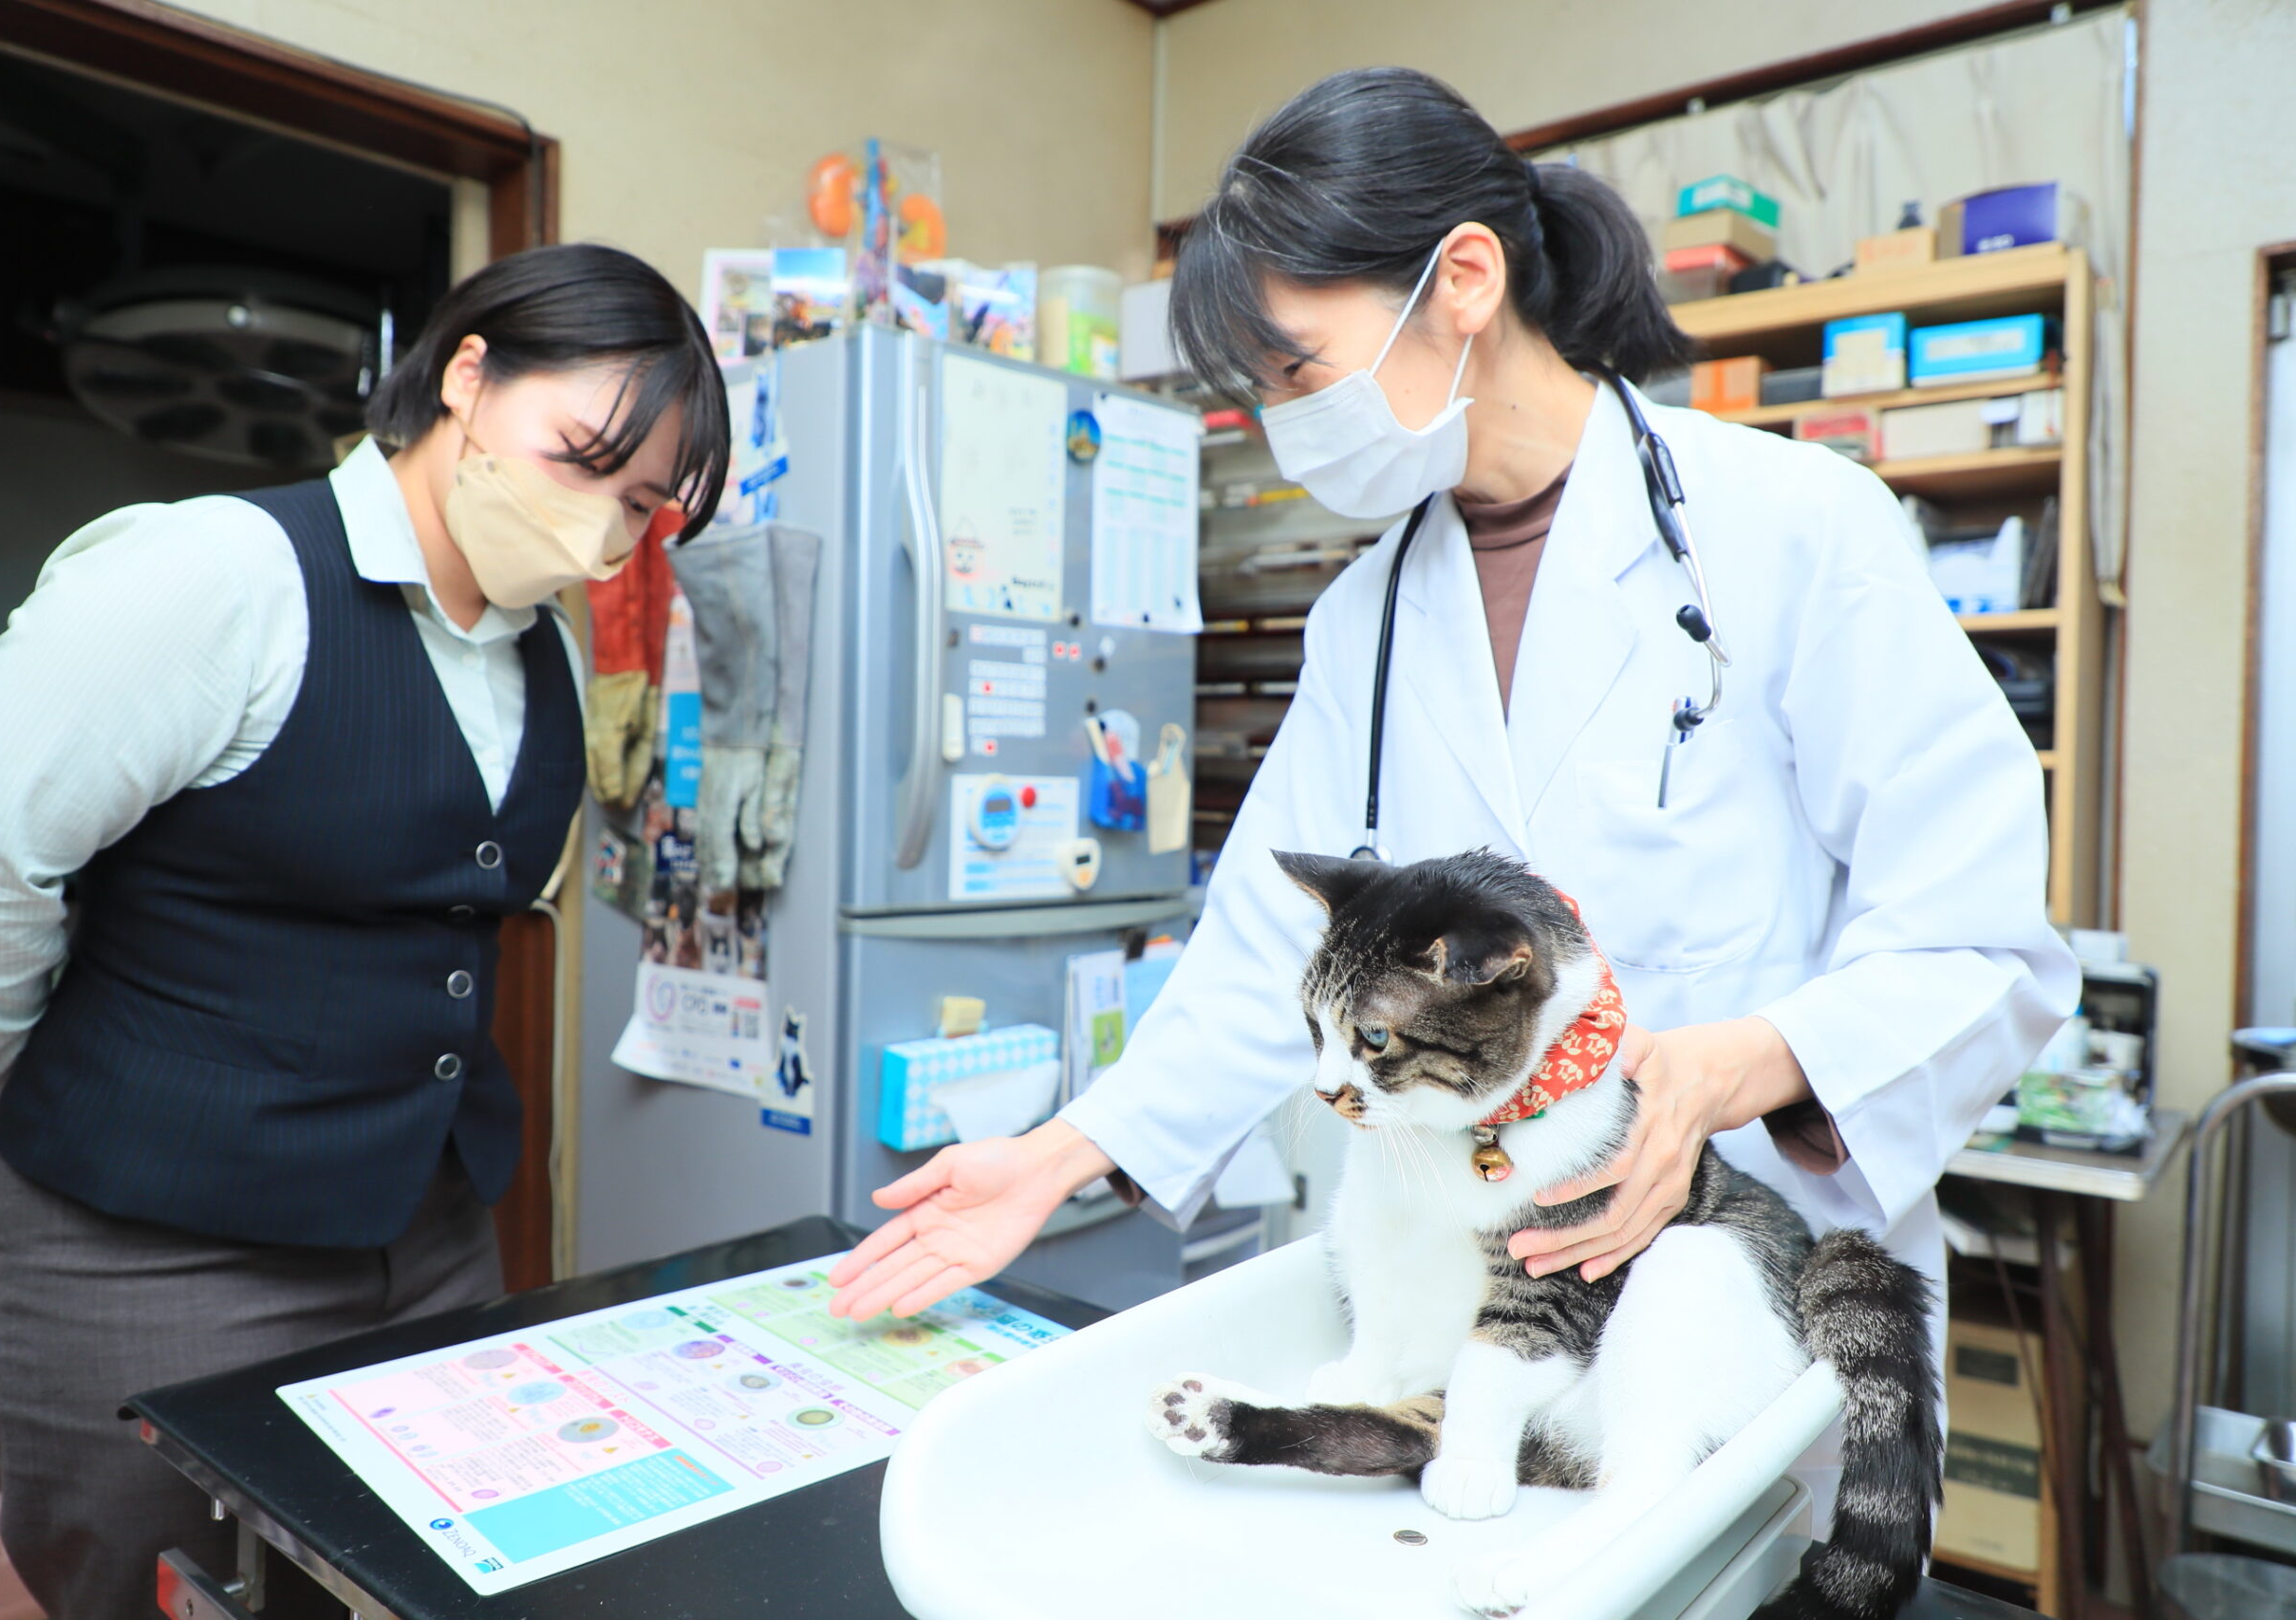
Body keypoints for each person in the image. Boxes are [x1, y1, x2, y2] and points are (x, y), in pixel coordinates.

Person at [828, 68, 2074, 1513]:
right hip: (1478, 1309)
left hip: (1727, 1295)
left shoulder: (1794, 530)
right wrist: (1062, 1153)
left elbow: (1982, 942)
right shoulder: (1364, 614)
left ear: (1462, 279)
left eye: (1299, 370)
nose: (1283, 425)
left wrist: (1737, 1066)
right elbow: (1263, 952)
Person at [0, 242, 727, 1620]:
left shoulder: (544, 648)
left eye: (637, 507)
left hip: (429, 1234)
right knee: (164, 1594)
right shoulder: (221, 574)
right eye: (578, 458)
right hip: (147, 1253)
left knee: (400, 1591)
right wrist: (47, 1092)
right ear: (467, 375)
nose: (600, 535)